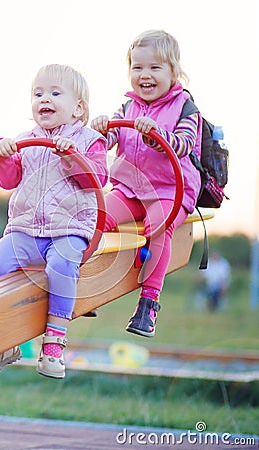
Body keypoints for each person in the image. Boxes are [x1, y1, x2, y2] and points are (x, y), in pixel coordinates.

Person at [0, 64, 108, 379]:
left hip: (68, 229)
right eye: (38, 94)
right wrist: (0, 156)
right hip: (25, 229)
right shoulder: (25, 140)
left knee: (63, 266)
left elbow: (97, 180)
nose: (44, 99)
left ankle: (54, 342)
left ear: (78, 107)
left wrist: (72, 158)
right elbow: (9, 179)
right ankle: (5, 342)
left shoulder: (89, 140)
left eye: (54, 93)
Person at [91, 29, 202, 338]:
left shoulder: (186, 109)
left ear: (174, 72)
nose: (144, 75)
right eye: (137, 67)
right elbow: (109, 138)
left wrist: (156, 136)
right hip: (130, 188)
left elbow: (182, 144)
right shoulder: (127, 107)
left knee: (158, 227)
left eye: (155, 67)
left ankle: (148, 303)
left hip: (169, 191)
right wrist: (102, 129)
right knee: (97, 216)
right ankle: (88, 283)